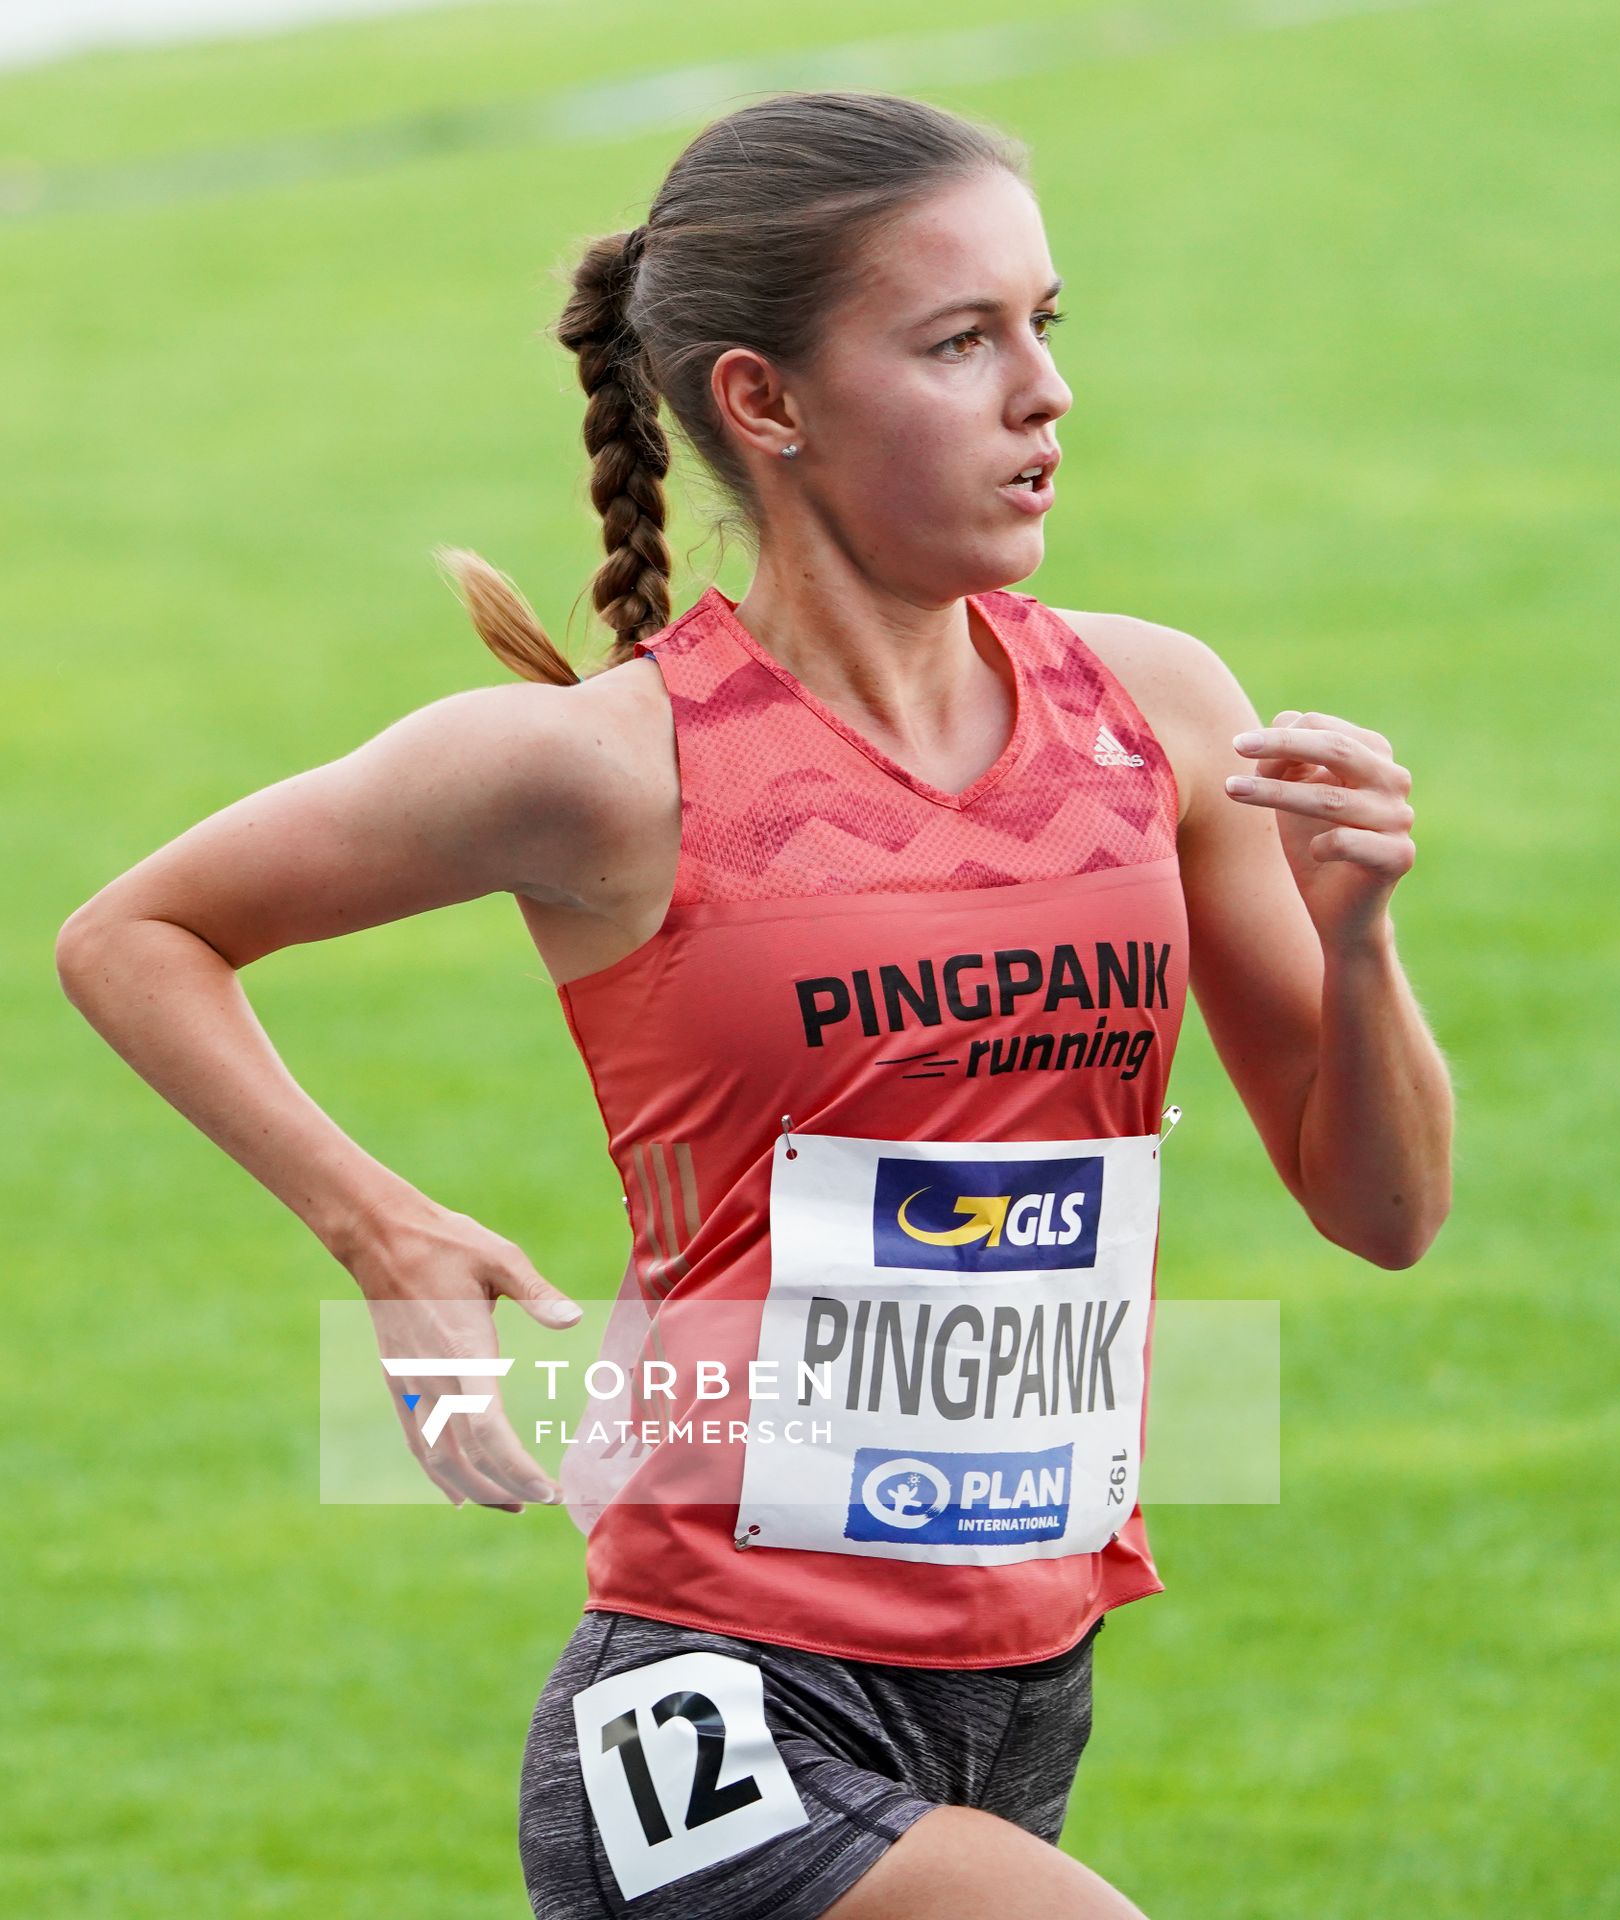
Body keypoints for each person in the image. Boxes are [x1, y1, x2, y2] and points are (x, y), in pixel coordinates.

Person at [55, 88, 1453, 1920]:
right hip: (721, 1699)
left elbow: (1382, 1212)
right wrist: (379, 1226)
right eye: (958, 342)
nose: (1043, 392)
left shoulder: (1159, 714)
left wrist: (1355, 940)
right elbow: (136, 932)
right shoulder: (606, 768)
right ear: (763, 402)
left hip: (1022, 1684)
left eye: (1044, 322)